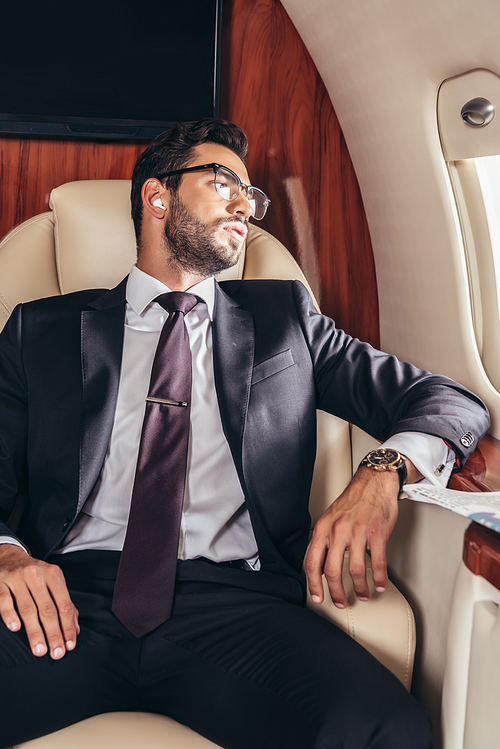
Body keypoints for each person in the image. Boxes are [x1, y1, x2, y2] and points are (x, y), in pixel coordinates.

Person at [0, 119, 489, 749]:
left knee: (385, 730)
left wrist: (382, 472)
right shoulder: (42, 329)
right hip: (67, 595)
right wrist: (7, 552)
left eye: (251, 195)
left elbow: (447, 399)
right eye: (224, 181)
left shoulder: (289, 323)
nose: (246, 205)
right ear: (158, 197)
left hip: (236, 606)